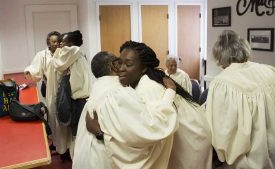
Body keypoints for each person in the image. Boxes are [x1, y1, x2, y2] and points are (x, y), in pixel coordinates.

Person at [86, 41, 212, 169]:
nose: (121, 68)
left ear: (143, 68)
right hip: (190, 139)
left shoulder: (148, 88)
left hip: (191, 144)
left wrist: (100, 133)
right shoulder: (141, 82)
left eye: (128, 64)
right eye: (120, 62)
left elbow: (153, 131)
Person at [72, 51, 178, 169]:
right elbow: (152, 128)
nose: (123, 67)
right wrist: (170, 92)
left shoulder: (96, 92)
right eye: (121, 63)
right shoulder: (117, 94)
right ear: (113, 66)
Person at [206, 30, 275, 169]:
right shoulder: (270, 72)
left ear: (221, 56)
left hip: (243, 163)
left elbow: (222, 132)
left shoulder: (221, 83)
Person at [52, 30, 92, 158]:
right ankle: (77, 157)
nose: (60, 44)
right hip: (78, 97)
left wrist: (57, 51)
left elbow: (58, 63)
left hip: (78, 99)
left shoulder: (74, 51)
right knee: (76, 130)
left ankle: (79, 158)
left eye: (64, 41)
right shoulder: (76, 55)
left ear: (72, 43)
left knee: (77, 130)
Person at [24, 31, 60, 151]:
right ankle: (55, 142)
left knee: (64, 115)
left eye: (58, 41)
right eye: (53, 41)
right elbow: (35, 69)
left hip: (64, 89)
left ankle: (66, 145)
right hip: (49, 88)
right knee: (52, 114)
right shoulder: (42, 55)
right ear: (48, 42)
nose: (56, 44)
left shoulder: (64, 53)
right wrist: (29, 71)